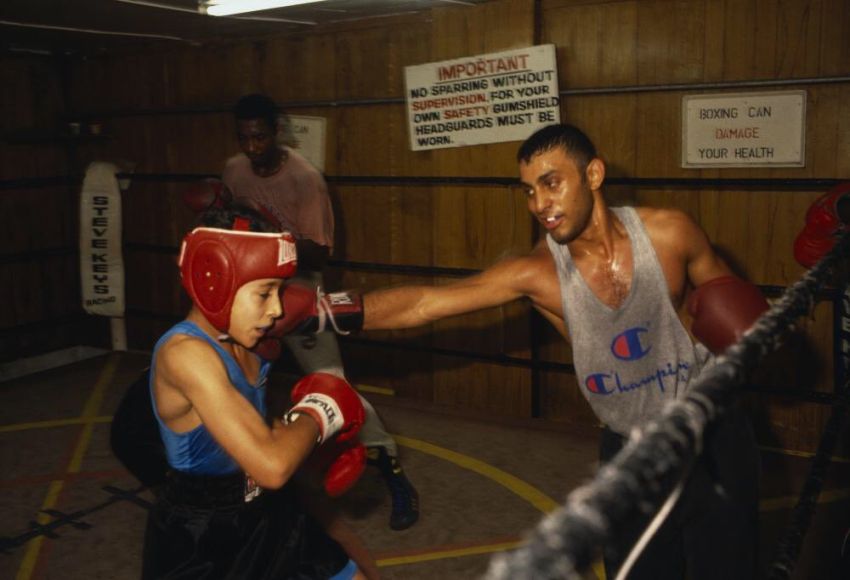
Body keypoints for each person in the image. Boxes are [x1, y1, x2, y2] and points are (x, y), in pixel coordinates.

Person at [276, 124, 771, 579]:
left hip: (715, 433)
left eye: (552, 183)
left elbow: (737, 307)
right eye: (530, 191)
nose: (539, 203)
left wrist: (757, 333)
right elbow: (426, 304)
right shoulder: (538, 273)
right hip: (631, 448)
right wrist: (321, 309)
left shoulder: (670, 233)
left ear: (593, 174)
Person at [142, 205, 378, 580]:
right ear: (213, 282)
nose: (276, 309)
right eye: (265, 292)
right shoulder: (184, 354)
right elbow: (270, 466)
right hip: (203, 537)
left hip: (267, 511)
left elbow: (255, 427)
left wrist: (304, 443)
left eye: (280, 291)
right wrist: (321, 410)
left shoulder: (250, 334)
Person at [218, 93, 419, 531]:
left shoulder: (304, 179)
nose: (252, 146)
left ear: (275, 133)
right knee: (234, 379)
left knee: (334, 386)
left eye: (259, 136)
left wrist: (267, 232)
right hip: (250, 293)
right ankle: (246, 480)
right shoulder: (234, 170)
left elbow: (318, 255)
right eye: (244, 137)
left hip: (299, 293)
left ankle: (391, 470)